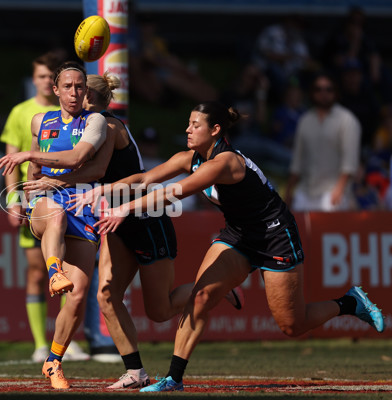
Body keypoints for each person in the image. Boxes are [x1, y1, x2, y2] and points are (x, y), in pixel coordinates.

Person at [89, 101, 384, 392]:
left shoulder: (226, 162)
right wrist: (102, 189)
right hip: (238, 235)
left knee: (292, 325)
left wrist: (123, 209)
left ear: (215, 130)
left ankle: (350, 303)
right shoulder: (189, 157)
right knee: (201, 296)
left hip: (274, 235)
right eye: (188, 123)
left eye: (195, 125)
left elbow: (173, 192)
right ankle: (173, 379)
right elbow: (143, 178)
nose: (187, 130)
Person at [26, 73, 244, 390]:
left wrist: (45, 172)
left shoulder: (107, 126)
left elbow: (93, 170)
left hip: (144, 217)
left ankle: (214, 288)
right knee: (106, 295)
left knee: (160, 310)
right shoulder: (90, 125)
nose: (74, 100)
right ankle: (134, 372)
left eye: (80, 92)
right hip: (115, 218)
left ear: (89, 99)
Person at [0, 61, 110, 389]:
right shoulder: (39, 120)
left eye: (80, 87)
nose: (74, 93)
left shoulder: (96, 121)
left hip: (82, 207)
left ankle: (53, 361)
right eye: (68, 86)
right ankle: (53, 270)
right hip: (46, 205)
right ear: (55, 90)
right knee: (54, 217)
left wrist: (31, 157)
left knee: (77, 295)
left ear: (86, 90)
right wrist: (29, 199)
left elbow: (78, 159)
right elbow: (33, 174)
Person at [284, 73, 361, 211]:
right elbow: (297, 162)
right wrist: (289, 192)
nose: (323, 93)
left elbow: (350, 163)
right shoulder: (305, 120)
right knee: (295, 226)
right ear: (312, 93)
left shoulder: (347, 120)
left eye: (328, 89)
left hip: (333, 191)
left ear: (336, 92)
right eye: (318, 89)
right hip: (306, 191)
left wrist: (339, 191)